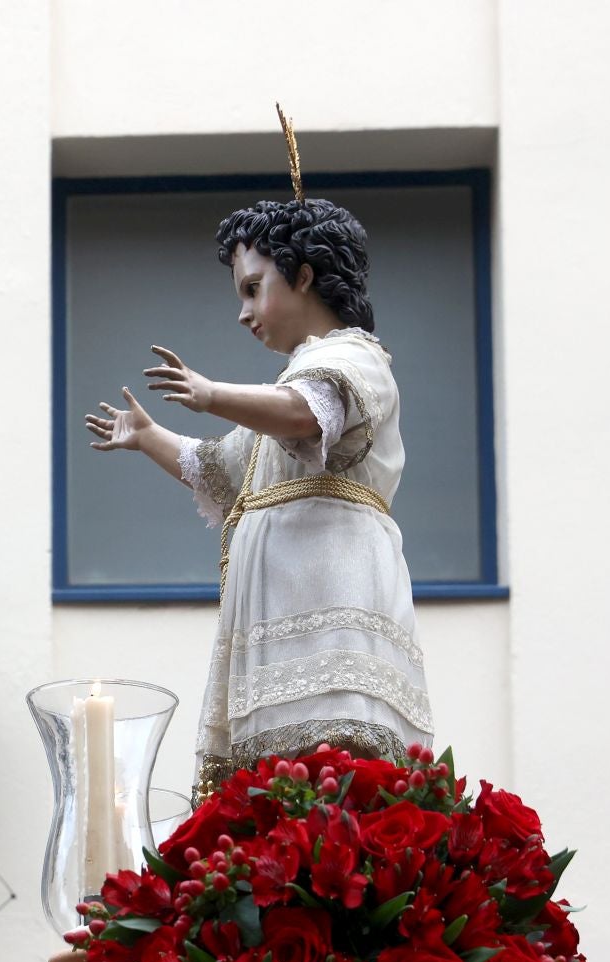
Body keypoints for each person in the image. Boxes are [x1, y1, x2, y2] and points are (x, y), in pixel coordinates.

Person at [86, 194, 432, 798]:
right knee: (281, 779)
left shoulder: (353, 359)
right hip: (277, 618)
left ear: (303, 275)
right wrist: (147, 436)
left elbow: (305, 412)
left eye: (252, 289)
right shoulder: (288, 389)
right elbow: (214, 469)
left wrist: (210, 393)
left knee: (335, 755)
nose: (243, 313)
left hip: (333, 595)